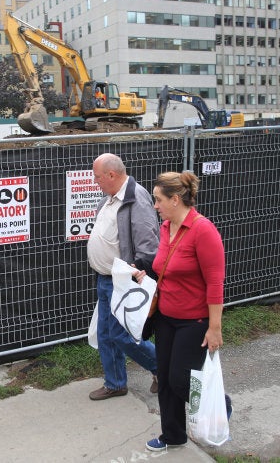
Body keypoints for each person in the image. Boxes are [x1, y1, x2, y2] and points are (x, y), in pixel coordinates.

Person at [133, 171, 231, 452]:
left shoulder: (203, 230)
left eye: (158, 199)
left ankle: (219, 407)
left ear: (175, 199)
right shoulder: (166, 228)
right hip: (166, 317)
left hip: (194, 321)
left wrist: (214, 327)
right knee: (164, 378)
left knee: (180, 379)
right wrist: (146, 276)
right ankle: (172, 435)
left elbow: (215, 282)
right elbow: (165, 268)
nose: (155, 205)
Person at [87, 153, 159, 400]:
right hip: (105, 278)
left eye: (97, 176)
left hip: (123, 280)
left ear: (111, 174)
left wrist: (134, 269)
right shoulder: (109, 198)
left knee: (120, 335)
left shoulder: (136, 197)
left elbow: (149, 242)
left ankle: (162, 368)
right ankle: (115, 383)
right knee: (106, 334)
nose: (95, 181)